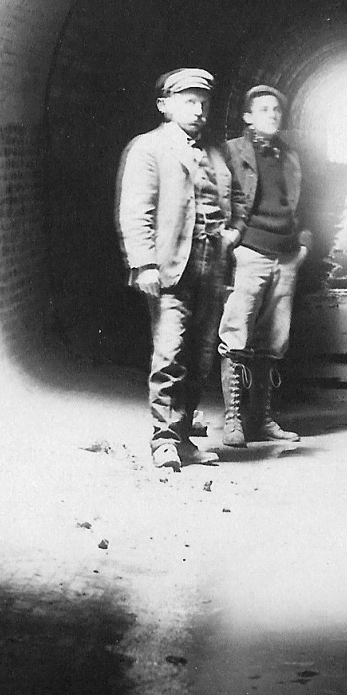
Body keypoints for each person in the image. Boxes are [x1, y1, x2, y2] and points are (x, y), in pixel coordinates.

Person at [116, 68, 239, 471]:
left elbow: (230, 200)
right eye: (189, 101)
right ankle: (163, 441)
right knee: (170, 352)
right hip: (171, 266)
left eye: (204, 102)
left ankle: (183, 436)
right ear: (164, 106)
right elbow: (136, 211)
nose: (199, 109)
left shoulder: (216, 153)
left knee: (201, 356)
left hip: (212, 265)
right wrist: (144, 263)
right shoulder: (149, 149)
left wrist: (231, 233)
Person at [217, 84, 311, 448]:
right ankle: (233, 421)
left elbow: (305, 205)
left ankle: (262, 420)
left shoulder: (290, 156)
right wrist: (232, 242)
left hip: (286, 255)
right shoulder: (232, 152)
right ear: (247, 117)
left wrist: (303, 245)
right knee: (236, 337)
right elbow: (220, 197)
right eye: (264, 110)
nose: (272, 115)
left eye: (277, 110)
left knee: (274, 342)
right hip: (251, 253)